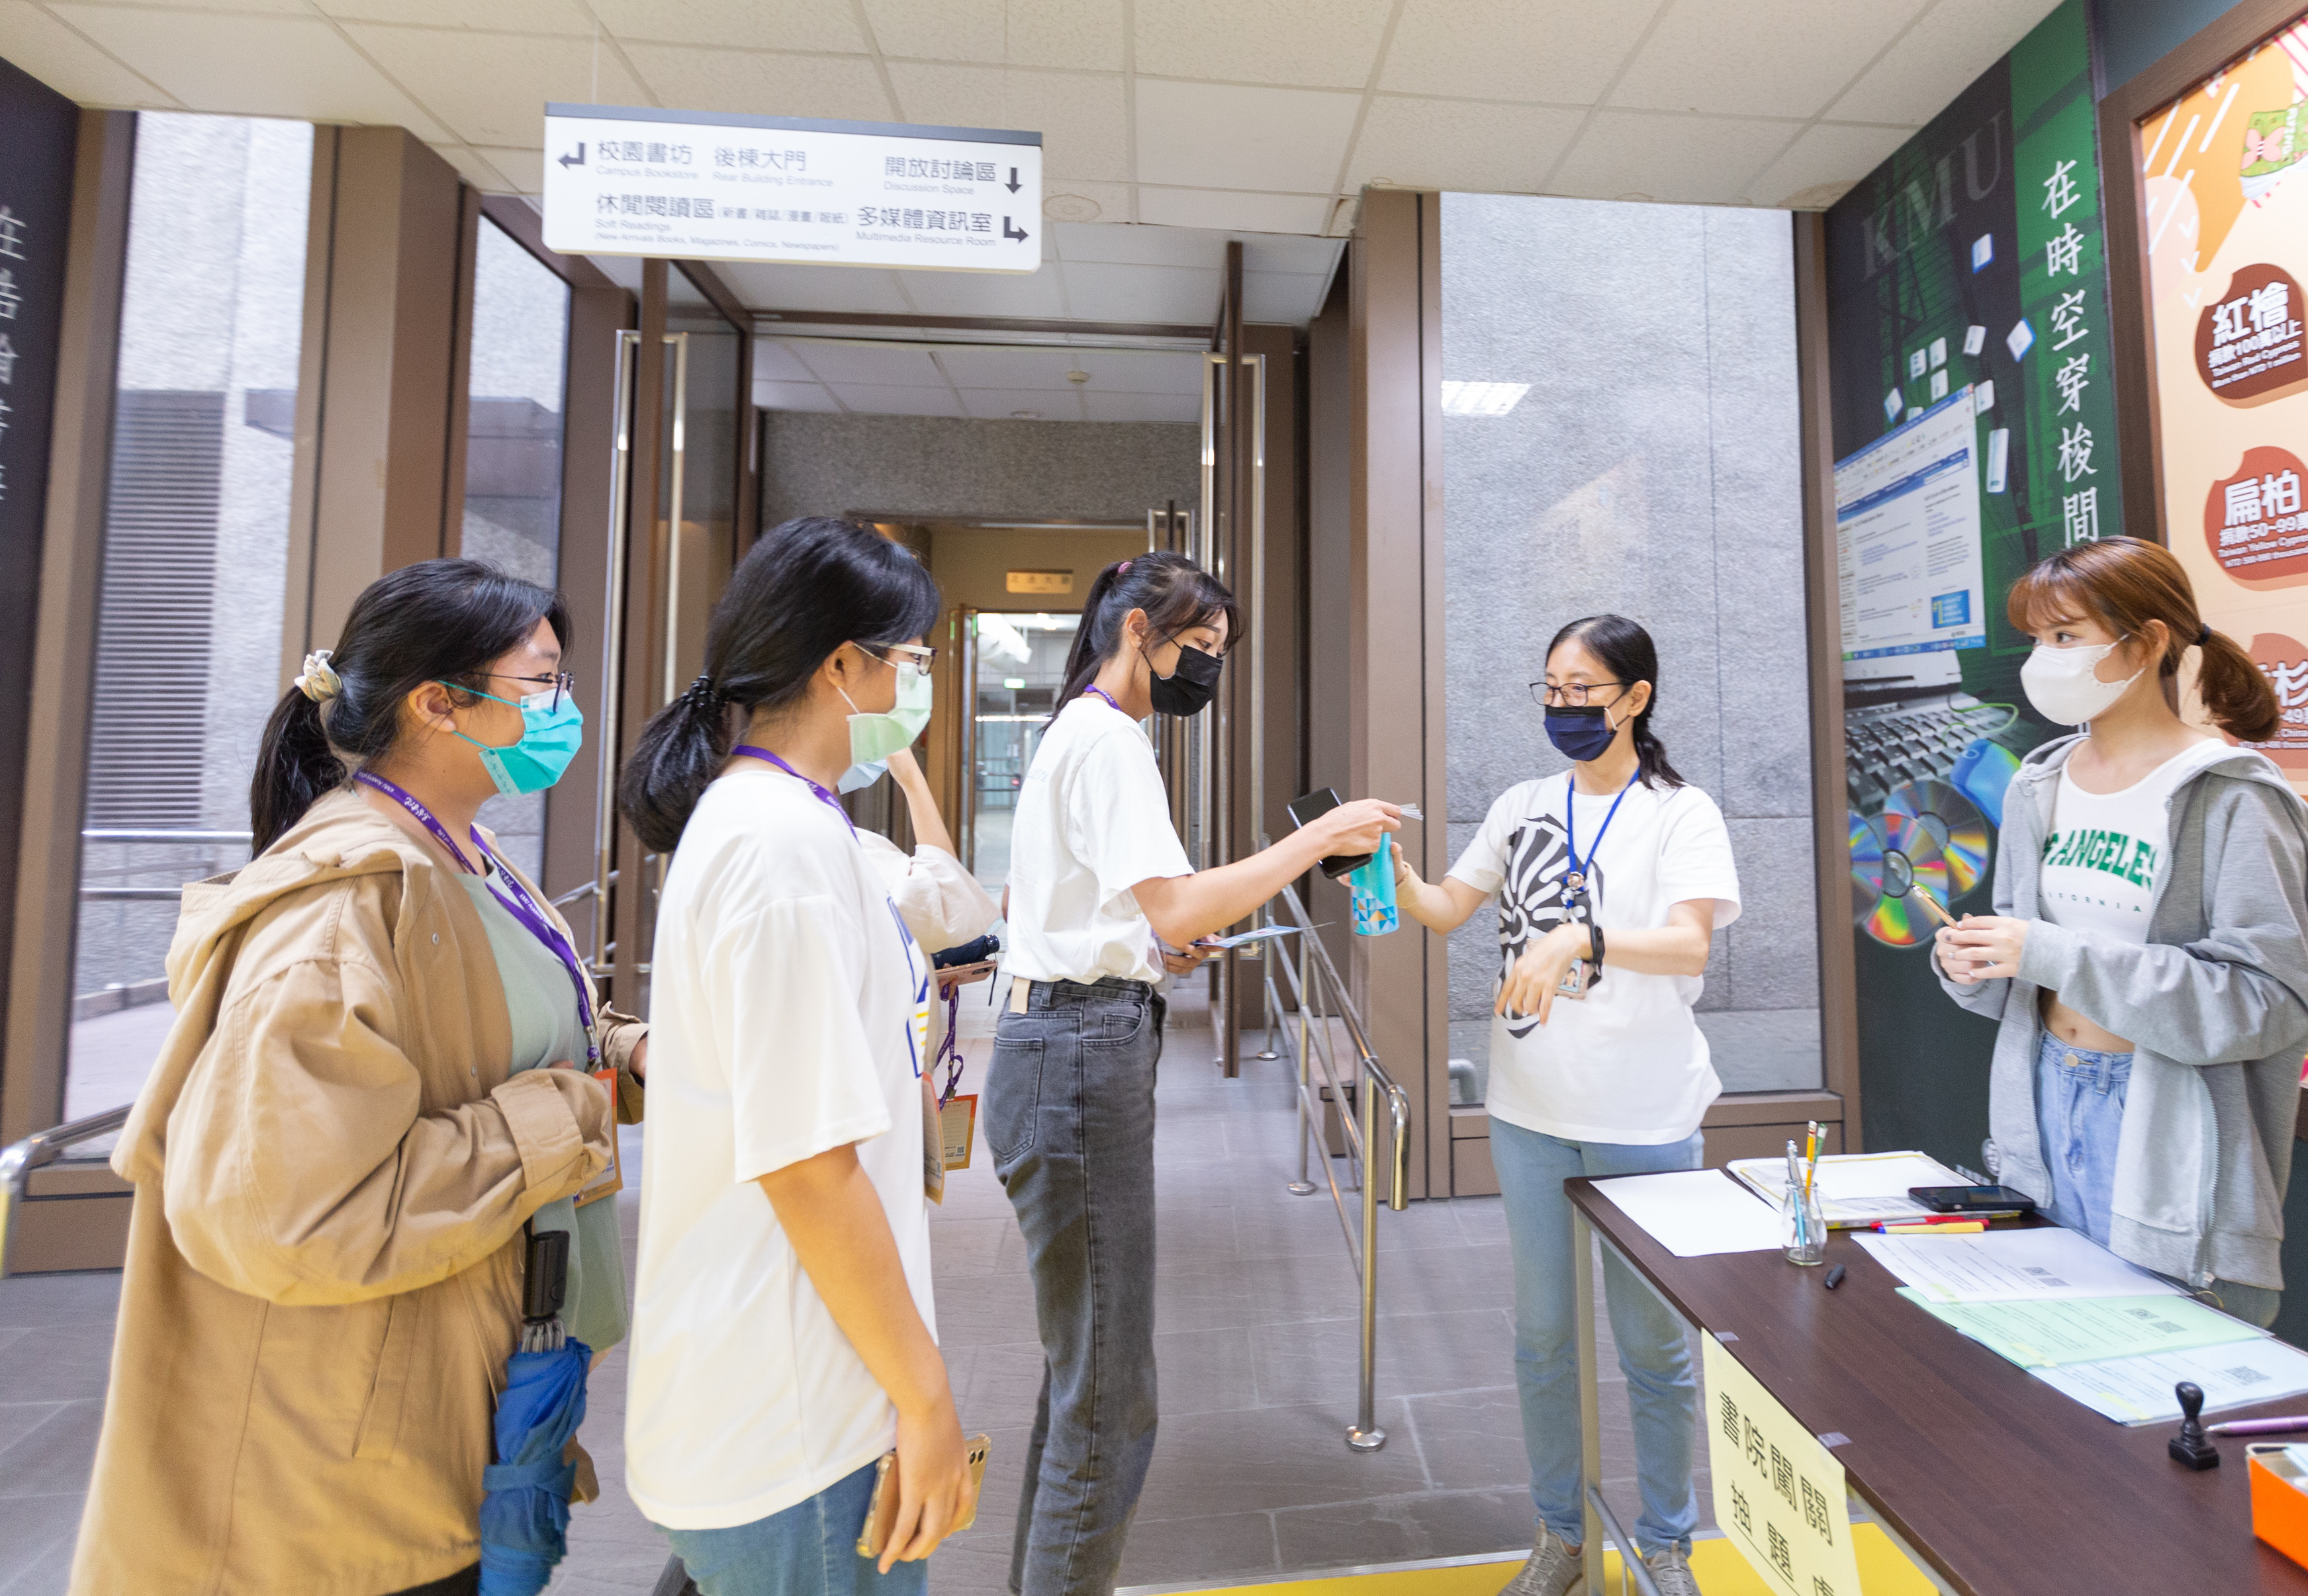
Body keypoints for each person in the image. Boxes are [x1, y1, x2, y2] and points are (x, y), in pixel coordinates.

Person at [73, 559, 633, 1596]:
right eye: (541, 681)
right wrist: (563, 1118)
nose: (566, 709)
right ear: (436, 703)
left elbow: (495, 1027)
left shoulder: (459, 852)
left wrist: (625, 1055)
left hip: (470, 1385)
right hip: (344, 1462)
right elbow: (288, 1208)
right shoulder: (341, 909)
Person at [992, 552, 1397, 1596]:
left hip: (1069, 1038)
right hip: (1080, 1053)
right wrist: (1315, 840)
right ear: (1136, 628)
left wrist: (1149, 943)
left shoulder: (1076, 732)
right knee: (1110, 1392)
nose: (1206, 671)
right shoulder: (1109, 740)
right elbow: (1174, 902)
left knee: (1085, 1372)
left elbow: (1118, 910)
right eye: (1198, 647)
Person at [620, 514, 981, 1594]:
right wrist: (926, 1398)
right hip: (799, 1421)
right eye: (910, 662)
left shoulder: (785, 824)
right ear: (841, 666)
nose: (918, 687)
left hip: (792, 1392)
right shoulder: (776, 846)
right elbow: (806, 1164)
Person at [1390, 613, 1739, 1596]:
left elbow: (1688, 945)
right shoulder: (1521, 803)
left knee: (1652, 1347)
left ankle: (1666, 1543)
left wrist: (1579, 939)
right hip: (1530, 1108)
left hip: (1645, 1117)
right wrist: (1383, 867)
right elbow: (1446, 909)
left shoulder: (1682, 813)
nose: (1563, 706)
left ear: (1634, 698)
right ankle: (1559, 1537)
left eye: (1582, 689)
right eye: (1549, 687)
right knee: (1543, 1337)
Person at [1934, 537, 2308, 1326]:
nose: (2042, 660)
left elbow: (2269, 1000)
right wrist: (1974, 962)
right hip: (2044, 1099)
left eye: (2066, 636)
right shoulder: (2038, 785)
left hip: (2169, 1124)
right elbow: (2025, 975)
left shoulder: (2233, 797)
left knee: (2170, 1394)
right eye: (2037, 639)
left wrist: (2046, 950)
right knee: (2051, 1374)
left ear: (2147, 642)